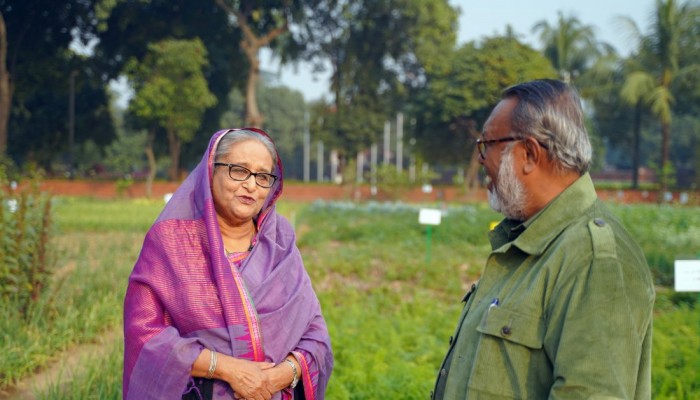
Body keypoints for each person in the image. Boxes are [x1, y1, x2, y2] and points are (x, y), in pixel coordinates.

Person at [432, 79, 654, 399]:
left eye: (487, 145)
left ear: (529, 154)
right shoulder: (527, 240)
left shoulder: (593, 260)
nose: (481, 159)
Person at [123, 128, 333, 400]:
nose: (251, 185)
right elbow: (144, 333)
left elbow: (315, 331)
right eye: (239, 170)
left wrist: (279, 376)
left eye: (262, 176)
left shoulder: (281, 243)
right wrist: (228, 370)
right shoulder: (171, 243)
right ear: (211, 172)